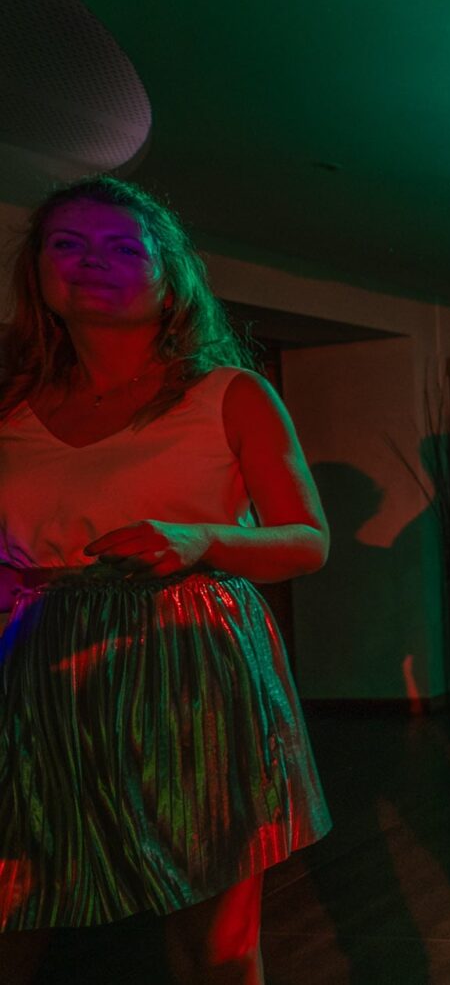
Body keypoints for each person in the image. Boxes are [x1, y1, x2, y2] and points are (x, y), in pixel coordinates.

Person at [0, 175, 332, 985]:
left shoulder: (229, 394)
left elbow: (307, 540)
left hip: (189, 667)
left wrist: (201, 538)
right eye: (67, 245)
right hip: (39, 673)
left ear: (169, 273)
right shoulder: (12, 407)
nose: (92, 262)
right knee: (15, 911)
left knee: (214, 946)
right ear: (38, 273)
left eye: (123, 246)